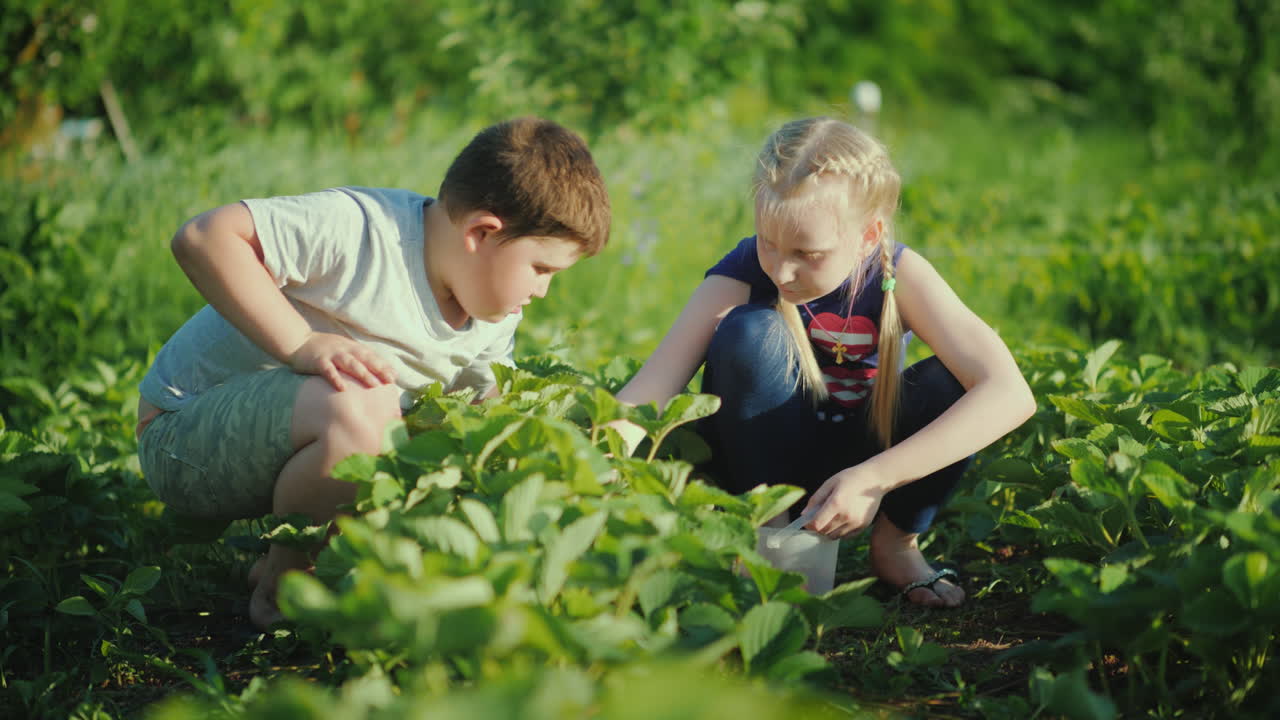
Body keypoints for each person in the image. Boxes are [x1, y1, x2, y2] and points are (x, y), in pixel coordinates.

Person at [133, 117, 611, 628]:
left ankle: (310, 565)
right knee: (365, 402)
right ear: (481, 232)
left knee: (410, 432)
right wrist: (302, 344)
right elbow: (204, 238)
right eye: (542, 270)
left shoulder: (491, 317)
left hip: (298, 447)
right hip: (183, 437)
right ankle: (286, 589)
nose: (542, 292)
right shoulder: (363, 229)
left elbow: (480, 412)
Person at [612, 117, 1034, 607]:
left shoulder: (899, 274)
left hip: (864, 458)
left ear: (868, 235)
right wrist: (580, 469)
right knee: (750, 330)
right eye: (768, 242)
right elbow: (648, 393)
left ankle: (896, 546)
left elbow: (1009, 392)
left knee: (951, 380)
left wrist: (876, 477)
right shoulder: (746, 270)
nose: (782, 269)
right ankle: (767, 538)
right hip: (761, 459)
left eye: (807, 253)